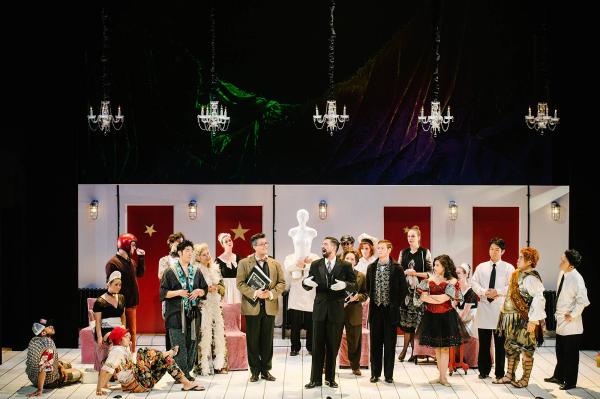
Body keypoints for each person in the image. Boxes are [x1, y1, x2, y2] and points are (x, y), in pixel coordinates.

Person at [303, 237, 357, 389]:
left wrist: (344, 285)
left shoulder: (345, 265)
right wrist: (305, 283)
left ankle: (330, 378)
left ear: (334, 247)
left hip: (336, 311)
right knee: (317, 346)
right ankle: (315, 379)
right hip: (319, 310)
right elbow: (308, 282)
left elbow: (355, 285)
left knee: (333, 346)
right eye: (322, 244)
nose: (323, 246)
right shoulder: (316, 264)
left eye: (325, 244)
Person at [236, 233, 286, 382]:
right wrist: (255, 293)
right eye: (262, 244)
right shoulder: (244, 263)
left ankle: (266, 370)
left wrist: (270, 294)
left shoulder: (275, 263)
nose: (266, 246)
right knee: (252, 341)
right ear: (254, 246)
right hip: (252, 307)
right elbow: (240, 283)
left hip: (269, 306)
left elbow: (282, 283)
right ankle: (255, 371)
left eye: (266, 243)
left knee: (267, 341)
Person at [96, 326, 203, 395]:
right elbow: (106, 369)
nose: (129, 338)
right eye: (126, 337)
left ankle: (187, 383)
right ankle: (166, 353)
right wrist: (99, 388)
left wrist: (104, 385)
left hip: (144, 382)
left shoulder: (122, 348)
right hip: (137, 383)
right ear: (120, 340)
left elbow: (111, 368)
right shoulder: (117, 351)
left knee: (166, 360)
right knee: (142, 352)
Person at [494, 247, 546, 388]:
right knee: (511, 347)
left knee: (526, 349)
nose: (518, 259)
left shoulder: (531, 278)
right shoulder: (516, 274)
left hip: (525, 320)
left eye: (521, 257)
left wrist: (534, 321)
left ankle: (525, 379)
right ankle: (509, 375)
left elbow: (539, 299)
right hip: (512, 320)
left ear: (529, 261)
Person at [415, 254, 469, 387]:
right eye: (434, 264)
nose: (434, 267)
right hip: (432, 316)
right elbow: (421, 298)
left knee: (444, 348)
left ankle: (444, 377)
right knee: (437, 349)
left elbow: (445, 299)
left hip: (446, 317)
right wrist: (434, 298)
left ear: (444, 266)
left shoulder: (452, 281)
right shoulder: (429, 279)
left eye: (437, 265)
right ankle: (440, 376)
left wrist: (431, 298)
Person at [159, 239, 208, 381]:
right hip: (175, 314)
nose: (189, 253)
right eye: (187, 250)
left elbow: (204, 289)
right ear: (179, 252)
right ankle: (183, 375)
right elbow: (163, 293)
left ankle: (187, 371)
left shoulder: (196, 271)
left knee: (192, 342)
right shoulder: (170, 271)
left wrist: (199, 291)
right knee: (178, 344)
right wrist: (178, 293)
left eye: (191, 251)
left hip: (193, 313)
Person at [544, 249, 590, 390]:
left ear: (571, 265)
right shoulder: (563, 274)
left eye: (563, 261)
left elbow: (583, 301)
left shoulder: (577, 278)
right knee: (560, 352)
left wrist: (573, 314)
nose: (561, 262)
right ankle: (559, 376)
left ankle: (570, 382)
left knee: (571, 355)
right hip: (561, 321)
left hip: (572, 324)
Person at [471, 237, 514, 380]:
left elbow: (512, 287)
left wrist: (498, 291)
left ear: (503, 251)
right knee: (484, 343)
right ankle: (483, 370)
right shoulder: (481, 267)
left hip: (499, 309)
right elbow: (474, 283)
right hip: (484, 307)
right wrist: (484, 291)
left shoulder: (508, 268)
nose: (493, 252)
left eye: (497, 250)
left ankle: (500, 373)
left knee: (500, 344)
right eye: (491, 249)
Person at [366, 240, 408, 383]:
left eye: (382, 248)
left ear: (389, 249)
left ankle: (388, 375)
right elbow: (368, 287)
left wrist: (395, 304)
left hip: (390, 311)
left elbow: (403, 289)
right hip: (376, 310)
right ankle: (375, 373)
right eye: (378, 248)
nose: (380, 250)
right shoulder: (371, 267)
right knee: (375, 343)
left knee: (390, 344)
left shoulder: (397, 268)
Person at [284, 209, 319, 356]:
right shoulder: (290, 257)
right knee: (296, 320)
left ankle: (311, 346)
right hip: (297, 287)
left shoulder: (315, 257)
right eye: (300, 215)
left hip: (310, 290)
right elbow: (288, 270)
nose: (302, 217)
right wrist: (298, 264)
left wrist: (306, 264)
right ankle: (295, 346)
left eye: (305, 215)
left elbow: (317, 272)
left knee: (311, 320)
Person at [105, 233, 145, 352]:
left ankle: (132, 356)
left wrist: (141, 258)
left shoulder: (131, 261)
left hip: (131, 303)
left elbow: (140, 274)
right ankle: (121, 357)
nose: (134, 248)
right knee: (121, 333)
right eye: (133, 245)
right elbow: (110, 286)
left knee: (132, 332)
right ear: (126, 246)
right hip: (119, 305)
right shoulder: (113, 263)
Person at [398, 226, 432, 362]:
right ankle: (409, 350)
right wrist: (404, 273)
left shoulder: (425, 253)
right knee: (407, 323)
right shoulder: (403, 252)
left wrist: (415, 273)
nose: (410, 239)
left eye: (413, 236)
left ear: (419, 237)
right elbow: (399, 270)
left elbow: (431, 273)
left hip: (420, 292)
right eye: (409, 236)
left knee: (416, 322)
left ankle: (410, 350)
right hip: (406, 292)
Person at [193, 243, 228, 375]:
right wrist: (207, 289)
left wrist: (218, 288)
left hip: (216, 306)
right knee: (204, 336)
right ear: (198, 258)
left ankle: (219, 365)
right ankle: (203, 367)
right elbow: (194, 290)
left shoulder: (216, 269)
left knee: (218, 335)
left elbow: (222, 287)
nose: (207, 256)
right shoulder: (196, 271)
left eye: (208, 253)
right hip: (203, 307)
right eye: (204, 254)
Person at [26, 319, 82, 397]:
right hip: (48, 381)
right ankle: (54, 379)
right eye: (49, 327)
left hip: (33, 378)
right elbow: (44, 367)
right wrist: (39, 390)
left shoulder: (33, 340)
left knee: (67, 365)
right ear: (43, 332)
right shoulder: (48, 344)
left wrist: (61, 367)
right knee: (78, 373)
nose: (52, 327)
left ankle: (61, 369)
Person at [341, 249, 368, 375]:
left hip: (354, 311)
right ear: (343, 260)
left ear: (356, 261)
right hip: (338, 310)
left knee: (355, 341)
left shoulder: (361, 276)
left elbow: (365, 294)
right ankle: (327, 365)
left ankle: (355, 366)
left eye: (352, 259)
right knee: (333, 339)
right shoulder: (337, 274)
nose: (350, 261)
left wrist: (357, 297)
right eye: (347, 258)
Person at [93, 271, 126, 371]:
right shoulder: (100, 301)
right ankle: (109, 369)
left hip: (118, 328)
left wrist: (124, 327)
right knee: (116, 339)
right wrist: (99, 337)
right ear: (109, 284)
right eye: (116, 284)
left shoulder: (121, 297)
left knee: (126, 338)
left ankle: (121, 368)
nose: (119, 287)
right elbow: (97, 322)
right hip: (105, 329)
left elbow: (123, 317)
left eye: (120, 285)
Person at [158, 232, 185, 352]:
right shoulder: (164, 260)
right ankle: (170, 357)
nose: (180, 245)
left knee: (185, 328)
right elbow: (161, 276)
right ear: (171, 244)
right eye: (177, 243)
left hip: (185, 299)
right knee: (170, 328)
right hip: (170, 299)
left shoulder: (187, 260)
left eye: (181, 243)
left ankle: (183, 358)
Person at [456, 263, 479, 367]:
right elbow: (453, 306)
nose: (456, 275)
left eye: (459, 273)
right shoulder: (457, 288)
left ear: (466, 274)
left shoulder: (471, 291)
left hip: (470, 319)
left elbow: (465, 312)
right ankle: (450, 358)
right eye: (455, 273)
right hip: (460, 316)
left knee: (460, 332)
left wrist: (455, 323)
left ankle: (465, 360)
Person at [215, 232, 242, 304]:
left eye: (230, 240)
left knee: (237, 312)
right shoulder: (218, 260)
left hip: (237, 289)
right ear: (222, 245)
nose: (229, 242)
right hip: (225, 290)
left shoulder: (238, 258)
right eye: (226, 241)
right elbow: (216, 278)